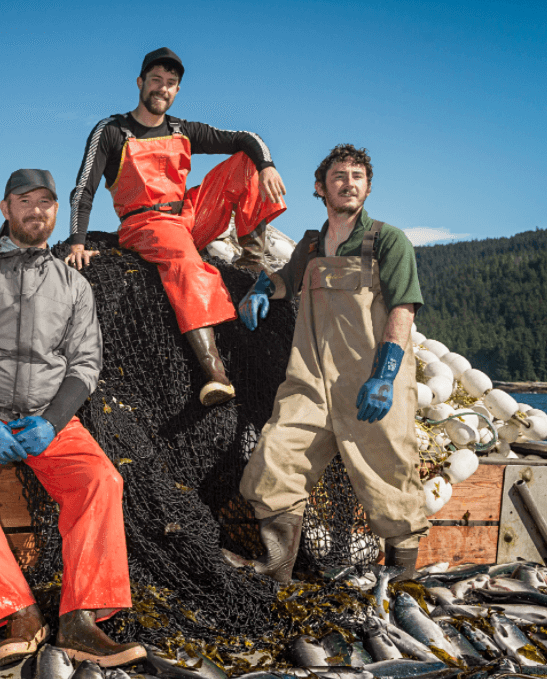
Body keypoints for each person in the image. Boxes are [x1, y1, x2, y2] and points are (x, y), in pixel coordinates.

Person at [0, 169, 146, 668]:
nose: (36, 210)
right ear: (5, 209)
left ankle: (79, 622)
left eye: (46, 202)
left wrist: (51, 420)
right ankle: (18, 611)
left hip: (48, 421)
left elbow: (84, 364)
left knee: (100, 480)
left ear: (55, 213)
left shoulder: (74, 285)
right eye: (25, 201)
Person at [237, 144, 426, 582]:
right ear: (321, 189)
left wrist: (384, 376)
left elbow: (404, 309)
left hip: (371, 380)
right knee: (275, 459)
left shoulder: (387, 240)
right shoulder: (311, 242)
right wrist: (262, 289)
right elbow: (286, 280)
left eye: (358, 176)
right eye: (339, 176)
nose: (349, 183)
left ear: (368, 187)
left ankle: (403, 575)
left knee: (390, 472)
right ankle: (277, 568)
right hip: (310, 380)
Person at [66, 47, 288, 406]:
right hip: (144, 222)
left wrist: (266, 164)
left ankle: (251, 257)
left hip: (185, 216)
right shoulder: (111, 131)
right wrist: (77, 241)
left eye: (171, 83)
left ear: (177, 91)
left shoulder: (183, 130)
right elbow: (83, 189)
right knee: (185, 260)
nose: (163, 88)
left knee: (245, 161)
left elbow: (246, 137)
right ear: (140, 83)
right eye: (156, 80)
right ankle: (215, 373)